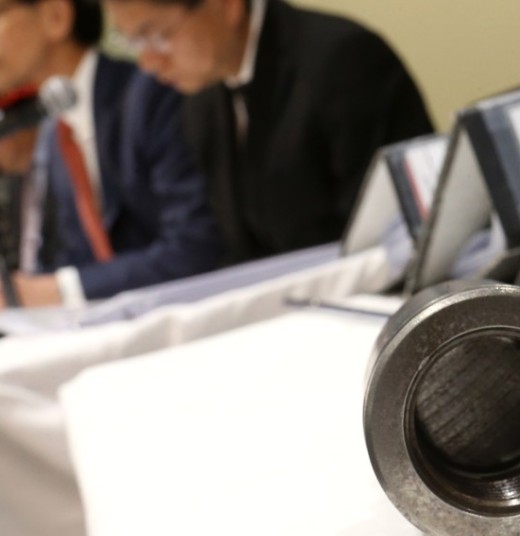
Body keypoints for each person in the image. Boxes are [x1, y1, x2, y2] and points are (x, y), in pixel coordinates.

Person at [103, 0, 434, 264]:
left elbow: (391, 239)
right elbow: (243, 250)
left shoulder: (343, 60)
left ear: (227, 5)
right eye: (132, 41)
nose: (147, 62)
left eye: (156, 36)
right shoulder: (202, 103)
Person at [0, 0, 222, 308]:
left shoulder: (151, 92)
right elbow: (78, 255)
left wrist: (55, 290)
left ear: (56, 16)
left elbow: (193, 246)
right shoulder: (55, 131)